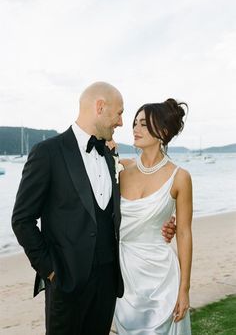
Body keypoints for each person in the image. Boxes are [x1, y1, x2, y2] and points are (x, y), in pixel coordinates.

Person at [11, 82, 176, 335]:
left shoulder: (111, 157)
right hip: (66, 283)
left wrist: (163, 221)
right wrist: (51, 271)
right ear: (100, 107)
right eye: (119, 113)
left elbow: (129, 205)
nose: (122, 123)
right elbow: (22, 219)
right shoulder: (48, 152)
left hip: (108, 284)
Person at [114, 99, 193, 334]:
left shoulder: (180, 177)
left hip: (161, 277)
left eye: (144, 125)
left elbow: (184, 233)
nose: (136, 129)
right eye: (135, 123)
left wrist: (184, 289)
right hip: (123, 275)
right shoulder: (120, 168)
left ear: (163, 132)